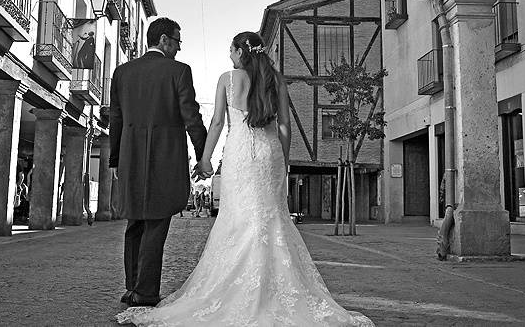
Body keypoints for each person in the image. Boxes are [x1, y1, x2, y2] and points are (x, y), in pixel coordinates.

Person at [117, 31, 374, 326]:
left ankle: (233, 287)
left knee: (238, 218)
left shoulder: (227, 79)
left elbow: (216, 123)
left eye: (231, 48)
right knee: (271, 218)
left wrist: (204, 160)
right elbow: (285, 127)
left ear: (241, 52)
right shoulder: (275, 80)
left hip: (240, 154)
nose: (229, 53)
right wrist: (285, 161)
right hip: (270, 154)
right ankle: (277, 290)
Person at [109, 17, 209, 308]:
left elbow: (116, 119)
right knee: (155, 224)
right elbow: (191, 116)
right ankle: (146, 292)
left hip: (130, 158)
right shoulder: (179, 71)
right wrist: (202, 153)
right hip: (164, 159)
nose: (179, 48)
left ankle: (132, 287)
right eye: (178, 41)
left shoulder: (122, 72)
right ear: (164, 40)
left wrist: (115, 159)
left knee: (134, 224)